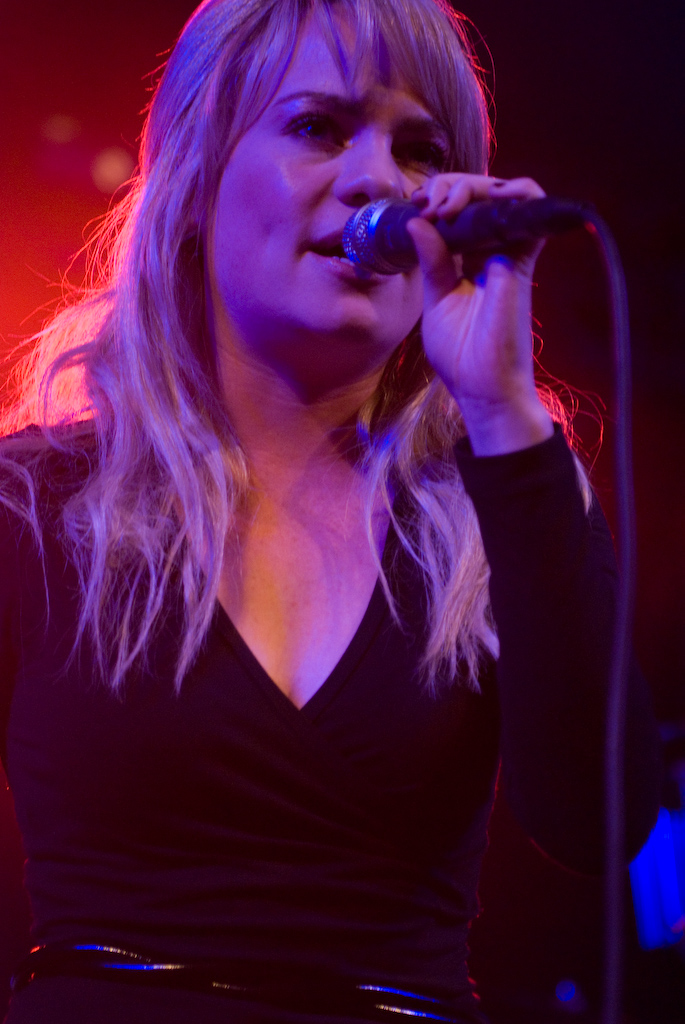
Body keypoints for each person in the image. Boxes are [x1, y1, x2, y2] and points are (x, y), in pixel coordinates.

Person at [0, 0, 662, 1021]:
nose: (377, 181)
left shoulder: (500, 502)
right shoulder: (37, 505)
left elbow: (594, 823)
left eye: (420, 150)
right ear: (196, 177)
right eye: (317, 126)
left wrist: (501, 410)